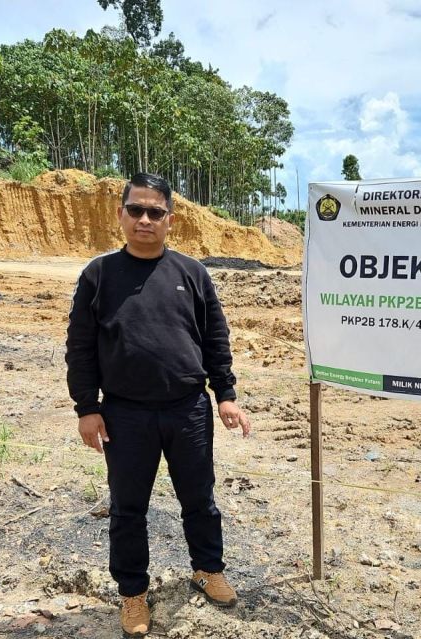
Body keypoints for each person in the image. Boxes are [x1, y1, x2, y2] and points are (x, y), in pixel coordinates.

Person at [65, 172, 251, 637]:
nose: (144, 219)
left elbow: (215, 337)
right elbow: (80, 345)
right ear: (121, 214)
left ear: (171, 219)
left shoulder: (192, 273)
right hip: (124, 414)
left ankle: (208, 569)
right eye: (136, 210)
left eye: (155, 212)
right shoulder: (99, 274)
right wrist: (87, 407)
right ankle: (132, 594)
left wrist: (224, 394)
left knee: (199, 500)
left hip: (187, 409)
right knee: (128, 509)